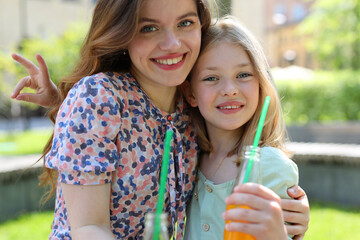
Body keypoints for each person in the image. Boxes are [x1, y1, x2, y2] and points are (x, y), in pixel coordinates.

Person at [10, 1, 309, 239]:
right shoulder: (99, 97)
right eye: (149, 28)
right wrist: (76, 102)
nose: (172, 43)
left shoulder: (190, 106)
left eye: (185, 23)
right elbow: (89, 229)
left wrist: (286, 216)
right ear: (122, 33)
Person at [182, 16, 308, 240]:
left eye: (243, 75)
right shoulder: (188, 159)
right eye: (211, 78)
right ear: (190, 93)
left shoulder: (269, 165)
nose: (230, 89)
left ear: (260, 84)